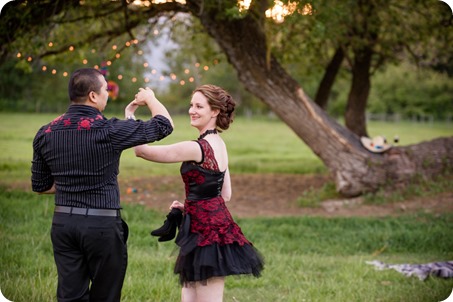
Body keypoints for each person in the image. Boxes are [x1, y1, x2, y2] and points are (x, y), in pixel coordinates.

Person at [31, 67, 174, 302]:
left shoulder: (45, 132)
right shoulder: (108, 129)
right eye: (105, 89)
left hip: (63, 224)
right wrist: (150, 98)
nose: (108, 94)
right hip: (101, 225)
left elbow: (40, 185)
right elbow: (164, 125)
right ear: (93, 96)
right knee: (105, 296)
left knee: (70, 297)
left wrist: (70, 183)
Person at [134, 84, 264, 302]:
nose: (191, 110)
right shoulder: (219, 144)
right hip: (203, 227)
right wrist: (190, 207)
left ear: (214, 111)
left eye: (199, 106)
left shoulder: (197, 147)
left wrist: (142, 106)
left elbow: (142, 151)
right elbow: (225, 194)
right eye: (191, 105)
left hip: (207, 234)